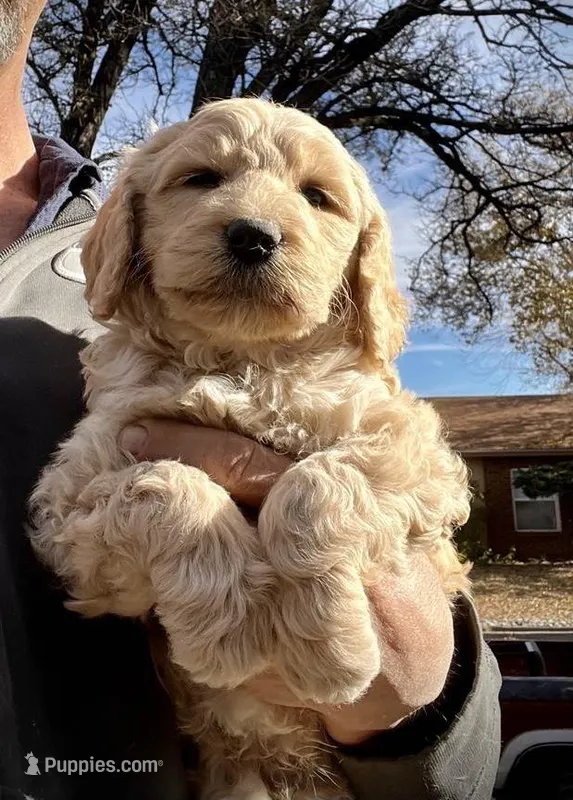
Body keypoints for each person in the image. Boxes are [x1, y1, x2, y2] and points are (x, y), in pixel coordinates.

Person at [0, 2, 502, 798]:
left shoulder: (355, 388)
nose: (254, 222)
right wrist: (175, 513)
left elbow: (426, 488)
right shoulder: (125, 366)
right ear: (125, 237)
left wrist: (422, 701)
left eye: (317, 196)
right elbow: (77, 533)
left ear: (360, 273)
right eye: (201, 178)